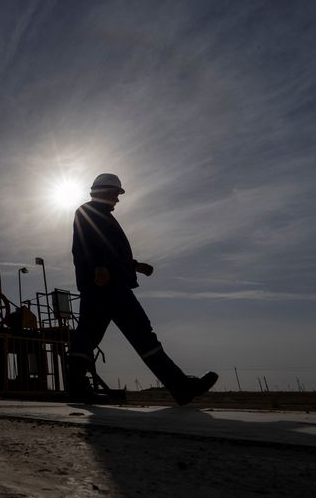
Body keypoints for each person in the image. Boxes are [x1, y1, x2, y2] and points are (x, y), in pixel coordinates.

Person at [67, 173, 218, 404]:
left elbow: (111, 250)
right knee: (95, 335)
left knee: (115, 337)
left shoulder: (104, 216)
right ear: (105, 191)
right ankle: (76, 387)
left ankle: (180, 387)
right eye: (116, 194)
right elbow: (90, 243)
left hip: (112, 286)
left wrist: (134, 265)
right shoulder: (88, 212)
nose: (118, 199)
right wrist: (99, 267)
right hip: (104, 287)